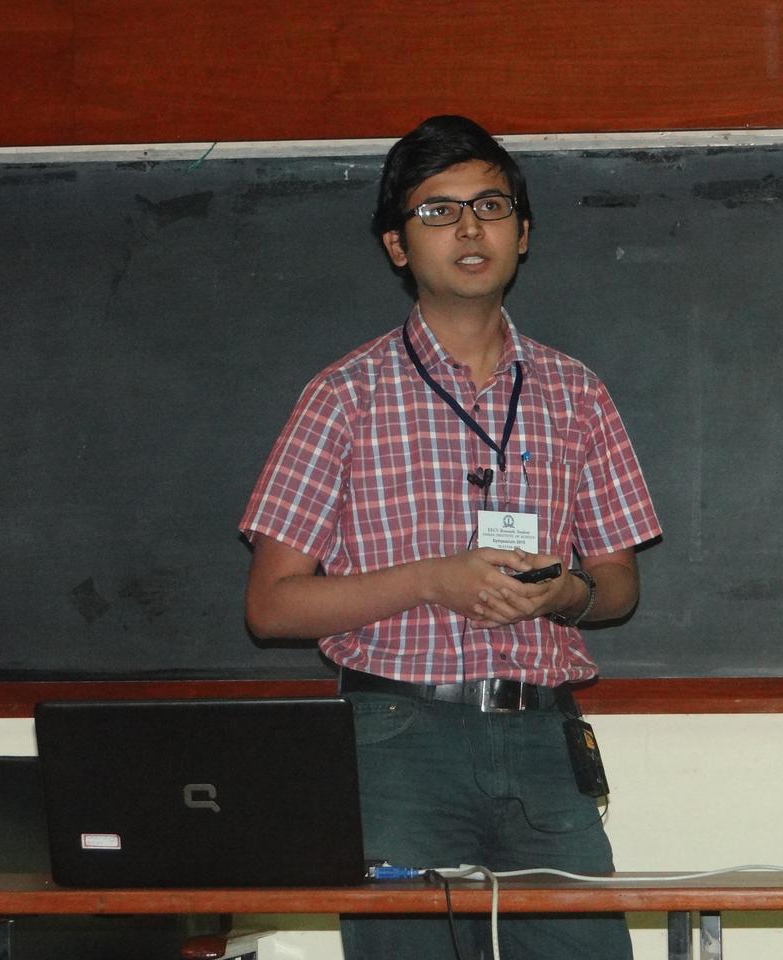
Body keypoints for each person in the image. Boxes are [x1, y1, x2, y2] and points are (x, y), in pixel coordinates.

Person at [239, 115, 661, 959]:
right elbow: (271, 606)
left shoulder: (577, 392)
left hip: (542, 737)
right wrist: (434, 580)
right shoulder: (343, 396)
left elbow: (618, 584)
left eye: (491, 207)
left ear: (522, 234)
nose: (470, 230)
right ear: (397, 246)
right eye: (439, 211)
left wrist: (566, 592)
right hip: (397, 739)